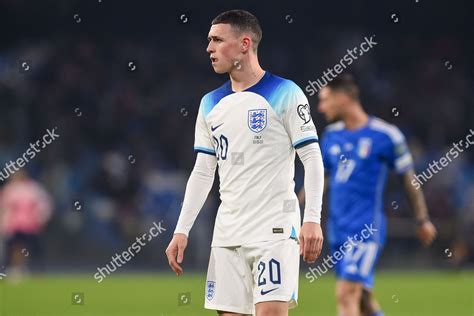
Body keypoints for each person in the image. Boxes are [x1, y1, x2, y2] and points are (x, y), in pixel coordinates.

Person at [165, 9, 325, 316]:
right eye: (208, 41)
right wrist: (181, 230)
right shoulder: (210, 103)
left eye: (217, 40)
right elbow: (203, 171)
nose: (208, 48)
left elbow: (312, 158)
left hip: (274, 230)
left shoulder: (285, 93)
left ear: (244, 44)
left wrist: (312, 218)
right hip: (227, 233)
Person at [299, 74, 437, 316]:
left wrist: (422, 219)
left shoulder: (386, 135)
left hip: (365, 229)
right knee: (362, 299)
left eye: (325, 100)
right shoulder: (331, 135)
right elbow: (317, 180)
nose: (320, 108)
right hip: (337, 229)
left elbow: (409, 180)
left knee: (345, 294)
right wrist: (291, 207)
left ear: (342, 98)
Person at [0, 170, 53, 280]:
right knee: (16, 247)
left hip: (29, 225)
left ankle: (30, 270)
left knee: (27, 248)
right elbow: (4, 208)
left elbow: (44, 205)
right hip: (15, 225)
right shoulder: (10, 189)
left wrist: (40, 218)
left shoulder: (33, 189)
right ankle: (17, 269)